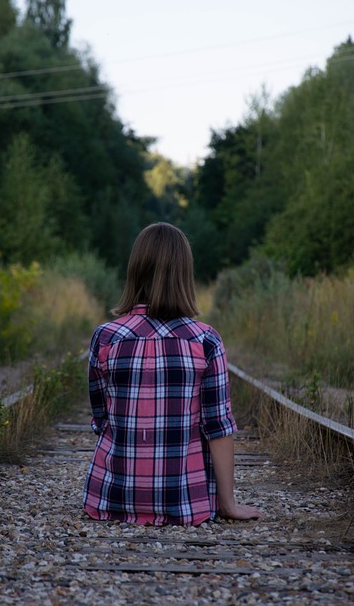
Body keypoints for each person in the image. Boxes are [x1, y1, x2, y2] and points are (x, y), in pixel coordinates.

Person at [83, 222, 263, 526]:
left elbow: (101, 418)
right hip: (186, 503)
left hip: (110, 499)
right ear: (184, 274)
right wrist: (228, 504)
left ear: (136, 270)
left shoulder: (106, 337)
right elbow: (218, 426)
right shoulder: (205, 340)